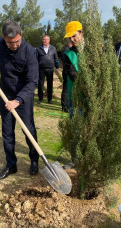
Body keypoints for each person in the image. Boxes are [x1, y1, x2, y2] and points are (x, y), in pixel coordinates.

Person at [0, 21, 39, 180]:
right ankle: (11, 165)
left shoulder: (29, 52)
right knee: (7, 132)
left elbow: (32, 82)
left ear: (21, 35)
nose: (15, 45)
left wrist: (17, 101)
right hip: (5, 95)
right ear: (4, 38)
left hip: (23, 98)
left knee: (28, 130)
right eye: (10, 43)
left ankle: (34, 160)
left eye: (17, 41)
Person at [62, 21, 85, 168]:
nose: (72, 40)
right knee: (75, 129)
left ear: (81, 33)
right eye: (70, 37)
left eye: (74, 36)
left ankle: (89, 157)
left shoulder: (94, 51)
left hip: (93, 98)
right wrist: (86, 86)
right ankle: (75, 159)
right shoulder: (68, 54)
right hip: (75, 97)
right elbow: (71, 74)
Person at [36, 35, 59, 104]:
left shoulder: (53, 48)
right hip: (41, 69)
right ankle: (40, 99)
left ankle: (50, 99)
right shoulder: (38, 48)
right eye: (43, 39)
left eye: (46, 39)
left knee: (50, 84)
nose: (44, 41)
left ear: (49, 40)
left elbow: (56, 58)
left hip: (50, 69)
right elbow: (35, 59)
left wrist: (57, 67)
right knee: (40, 84)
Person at [61, 40, 72, 112]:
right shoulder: (66, 50)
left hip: (68, 72)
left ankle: (67, 105)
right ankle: (64, 106)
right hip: (67, 72)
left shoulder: (68, 49)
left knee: (68, 89)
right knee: (66, 89)